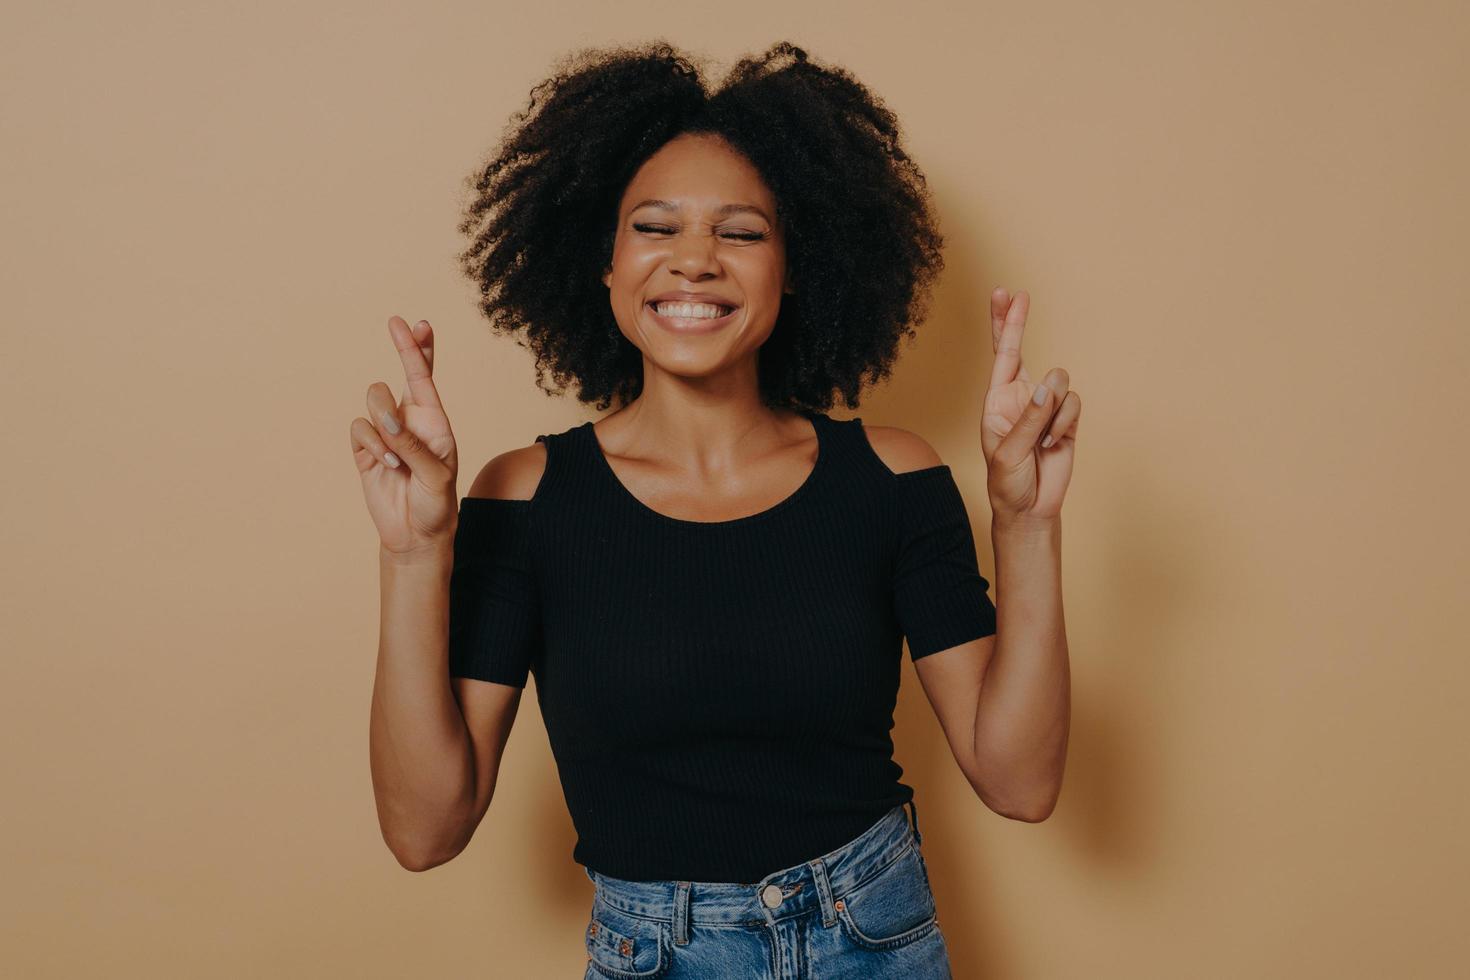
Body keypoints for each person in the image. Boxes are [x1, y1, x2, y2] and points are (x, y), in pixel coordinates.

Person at [354, 39, 1077, 980]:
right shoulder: (526, 498)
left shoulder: (889, 479)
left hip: (875, 941)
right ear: (603, 264)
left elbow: (1020, 782)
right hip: (654, 953)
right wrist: (415, 558)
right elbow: (423, 831)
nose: (695, 260)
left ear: (793, 268)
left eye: (741, 233)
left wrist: (1026, 522)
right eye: (655, 228)